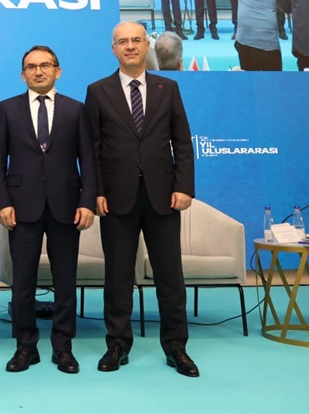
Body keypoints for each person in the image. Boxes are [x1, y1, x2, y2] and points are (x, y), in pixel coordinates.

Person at [85, 21, 197, 377]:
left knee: (170, 277)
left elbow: (182, 141)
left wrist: (184, 186)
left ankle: (176, 347)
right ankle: (117, 345)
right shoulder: (97, 91)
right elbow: (92, 149)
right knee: (117, 278)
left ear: (147, 45)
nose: (130, 46)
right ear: (113, 49)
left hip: (163, 197)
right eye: (123, 42)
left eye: (136, 40)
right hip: (115, 200)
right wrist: (96, 192)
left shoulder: (168, 88)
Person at [0, 45, 94, 376]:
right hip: (21, 208)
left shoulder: (76, 109)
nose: (39, 71)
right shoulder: (7, 109)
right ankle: (25, 346)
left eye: (45, 65)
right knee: (22, 282)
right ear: (23, 74)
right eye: (31, 67)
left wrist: (87, 201)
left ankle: (63, 347)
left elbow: (88, 161)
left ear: (57, 71)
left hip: (67, 206)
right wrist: (2, 202)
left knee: (65, 281)